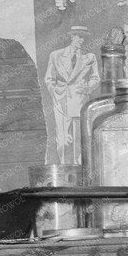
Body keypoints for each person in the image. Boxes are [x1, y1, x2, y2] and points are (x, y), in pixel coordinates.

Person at [43, 25, 99, 164]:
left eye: (84, 38)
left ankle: (79, 171)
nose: (81, 40)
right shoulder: (56, 55)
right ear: (71, 37)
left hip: (80, 101)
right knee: (62, 140)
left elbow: (96, 78)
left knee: (79, 140)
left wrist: (88, 88)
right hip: (61, 101)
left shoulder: (90, 57)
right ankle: (64, 167)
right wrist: (55, 92)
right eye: (78, 36)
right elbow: (49, 78)